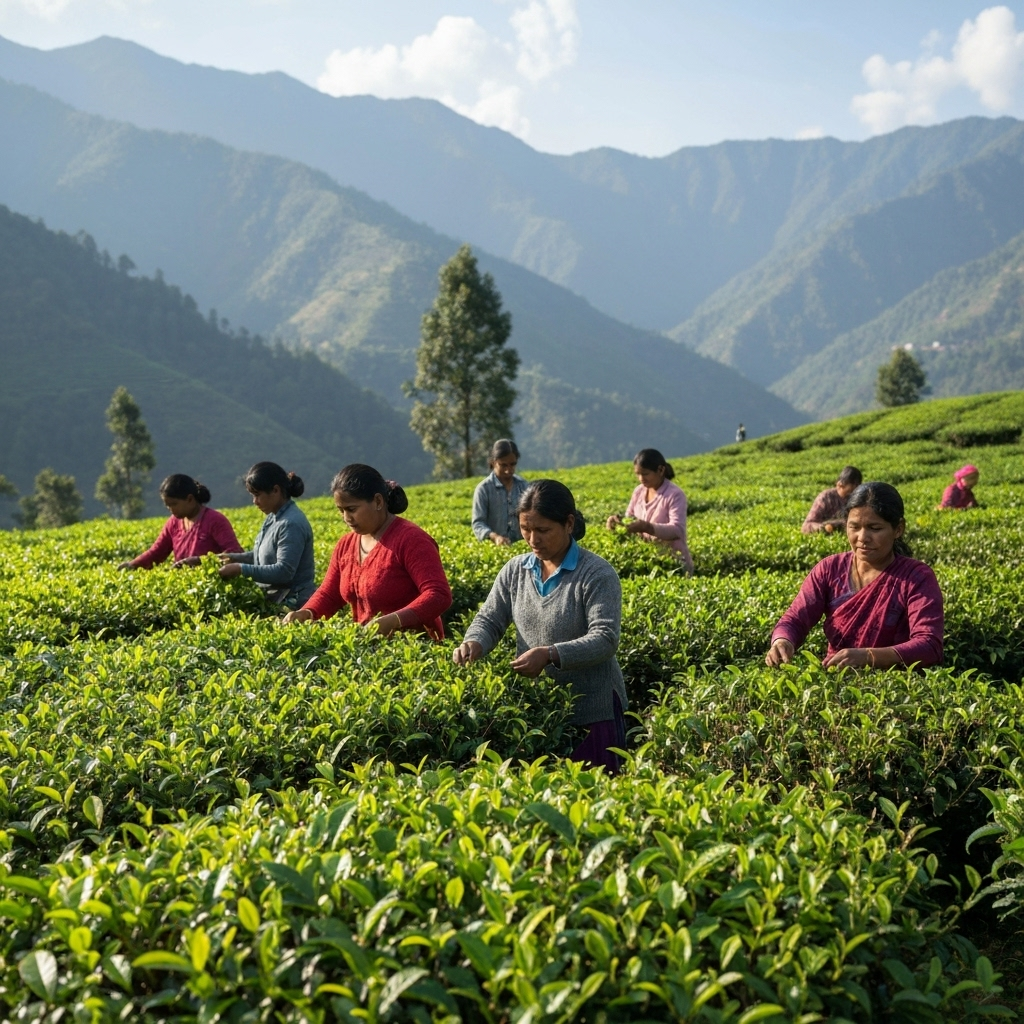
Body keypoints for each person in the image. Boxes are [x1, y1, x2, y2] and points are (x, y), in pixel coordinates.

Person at [454, 480, 629, 773]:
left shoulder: (596, 574)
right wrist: (474, 642)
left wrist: (549, 654)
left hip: (592, 711)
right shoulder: (515, 570)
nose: (533, 539)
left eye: (543, 530)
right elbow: (490, 618)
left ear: (569, 523)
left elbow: (605, 638)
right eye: (525, 529)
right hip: (540, 712)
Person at [766, 482, 943, 670]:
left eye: (875, 528)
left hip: (895, 683)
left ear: (898, 529)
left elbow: (929, 645)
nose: (862, 537)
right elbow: (796, 618)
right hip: (835, 677)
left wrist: (869, 657)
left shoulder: (917, 577)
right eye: (854, 527)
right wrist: (782, 641)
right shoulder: (829, 569)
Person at [283, 464, 452, 638]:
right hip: (366, 645)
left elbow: (438, 595)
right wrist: (307, 612)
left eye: (352, 509)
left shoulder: (411, 540)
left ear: (378, 501)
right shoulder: (345, 545)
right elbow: (330, 594)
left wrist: (394, 621)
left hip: (414, 646)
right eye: (341, 511)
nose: (346, 518)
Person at [218, 462, 315, 608]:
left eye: (257, 495)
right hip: (276, 601)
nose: (255, 502)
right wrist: (232, 558)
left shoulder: (291, 523)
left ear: (275, 490)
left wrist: (241, 569)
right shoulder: (273, 517)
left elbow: (284, 571)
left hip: (294, 605)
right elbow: (263, 557)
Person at [118, 475, 242, 570]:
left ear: (190, 499)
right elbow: (157, 552)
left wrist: (201, 561)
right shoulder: (173, 523)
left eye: (174, 504)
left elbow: (235, 553)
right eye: (167, 506)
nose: (171, 509)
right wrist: (132, 565)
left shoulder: (215, 520)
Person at [606, 448, 693, 573]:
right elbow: (629, 519)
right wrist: (617, 523)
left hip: (674, 564)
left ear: (661, 470)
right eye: (638, 474)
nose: (641, 478)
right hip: (648, 561)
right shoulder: (638, 491)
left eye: (645, 474)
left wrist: (647, 527)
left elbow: (677, 530)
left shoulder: (675, 495)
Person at [472, 439, 530, 545]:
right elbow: (478, 523)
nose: (508, 470)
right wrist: (494, 537)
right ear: (493, 462)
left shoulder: (524, 486)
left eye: (512, 464)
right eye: (503, 465)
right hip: (495, 547)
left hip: (522, 547)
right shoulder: (484, 489)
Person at [802, 465, 863, 534]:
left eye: (857, 487)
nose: (854, 492)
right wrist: (824, 527)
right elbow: (807, 526)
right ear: (840, 484)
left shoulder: (857, 499)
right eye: (852, 487)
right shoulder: (826, 498)